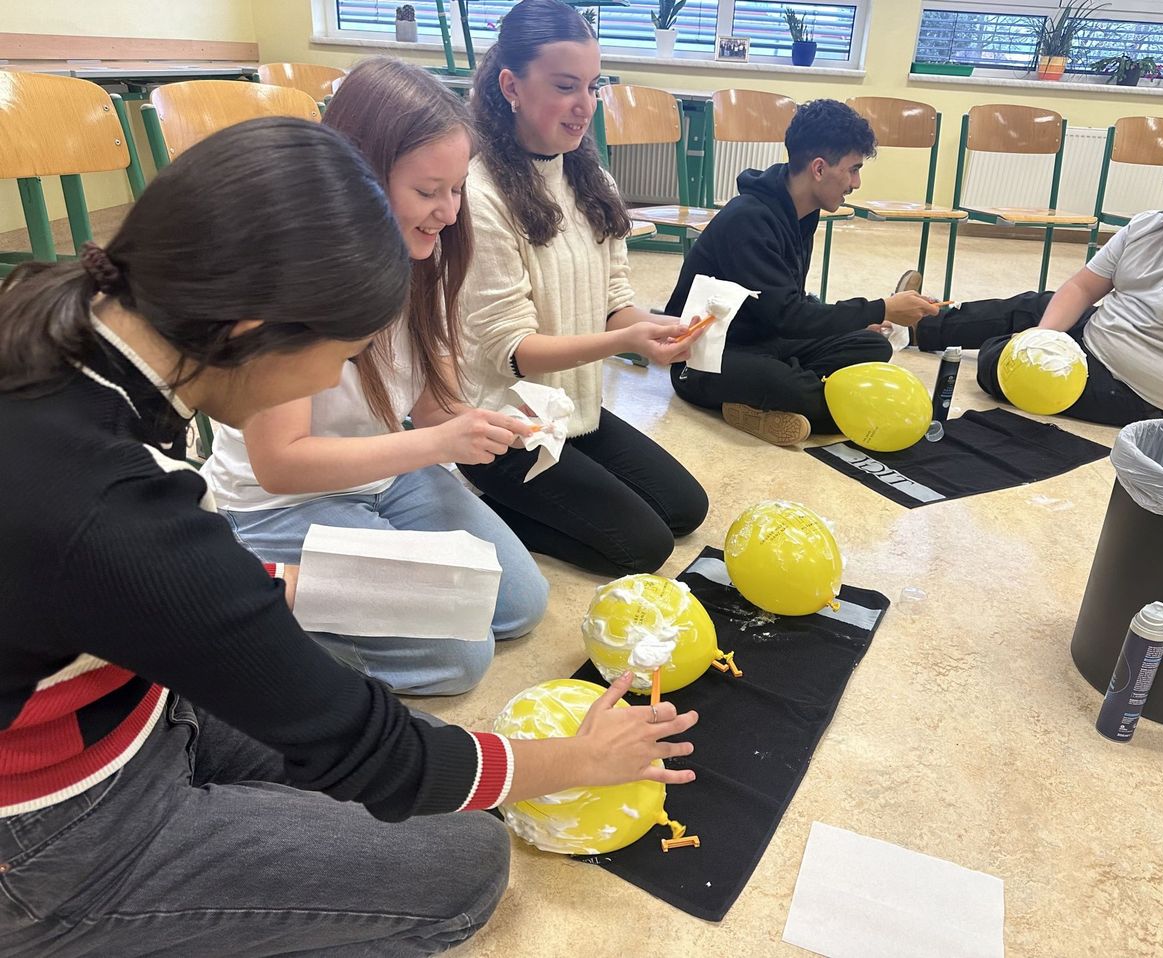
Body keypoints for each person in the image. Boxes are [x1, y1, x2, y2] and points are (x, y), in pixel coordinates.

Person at [0, 117, 698, 956]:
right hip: (45, 828)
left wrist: (274, 593)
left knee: (334, 676)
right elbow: (382, 758)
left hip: (126, 704)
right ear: (253, 334)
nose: (337, 378)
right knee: (463, 858)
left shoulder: (62, 327)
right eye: (340, 355)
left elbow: (106, 587)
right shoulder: (118, 511)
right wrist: (573, 763)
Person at [200, 59, 548, 696]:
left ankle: (344, 577)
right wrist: (438, 445)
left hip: (386, 474)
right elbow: (280, 463)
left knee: (517, 603)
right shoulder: (287, 272)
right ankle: (246, 589)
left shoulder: (428, 255)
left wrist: (491, 424)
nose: (447, 211)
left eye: (458, 188)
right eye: (427, 191)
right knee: (459, 655)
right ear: (356, 175)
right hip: (280, 502)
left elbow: (435, 408)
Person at [457, 0, 710, 577]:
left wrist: (655, 328)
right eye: (566, 86)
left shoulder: (590, 176)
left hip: (572, 408)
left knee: (684, 509)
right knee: (644, 548)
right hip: (510, 424)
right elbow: (515, 351)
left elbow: (615, 299)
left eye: (594, 87)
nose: (584, 107)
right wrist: (630, 341)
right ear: (510, 86)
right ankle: (490, 502)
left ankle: (546, 497)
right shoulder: (479, 194)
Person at [905, 144, 1163, 430]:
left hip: (1139, 391)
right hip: (1104, 331)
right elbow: (1083, 287)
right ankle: (919, 323)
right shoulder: (1148, 226)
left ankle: (960, 335)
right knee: (1034, 307)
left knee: (994, 361)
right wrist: (1042, 339)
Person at [663, 99, 939, 446]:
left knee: (871, 345)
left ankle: (758, 405)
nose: (856, 182)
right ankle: (778, 393)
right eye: (853, 169)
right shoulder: (749, 219)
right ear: (820, 169)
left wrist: (857, 322)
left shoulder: (801, 212)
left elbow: (787, 302)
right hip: (707, 356)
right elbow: (788, 315)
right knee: (793, 388)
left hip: (769, 339)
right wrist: (881, 307)